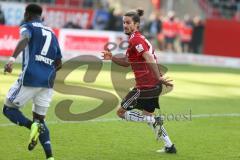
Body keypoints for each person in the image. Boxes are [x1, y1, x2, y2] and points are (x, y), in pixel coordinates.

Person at [102, 9, 177, 153]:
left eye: (128, 23)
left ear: (136, 24)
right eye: (124, 22)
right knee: (148, 115)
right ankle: (169, 146)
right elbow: (126, 61)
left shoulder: (136, 39)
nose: (125, 25)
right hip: (153, 85)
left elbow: (148, 57)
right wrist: (112, 57)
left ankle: (153, 121)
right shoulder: (135, 39)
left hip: (146, 86)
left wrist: (159, 76)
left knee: (121, 112)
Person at [2, 4, 62, 160]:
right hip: (48, 82)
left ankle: (31, 126)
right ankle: (50, 157)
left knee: (8, 109)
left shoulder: (27, 26)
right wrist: (47, 73)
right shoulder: (52, 32)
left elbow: (25, 38)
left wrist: (11, 59)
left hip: (30, 77)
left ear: (27, 14)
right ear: (40, 16)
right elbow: (59, 63)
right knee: (40, 119)